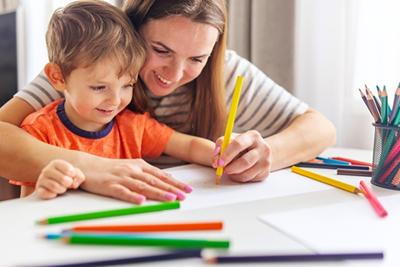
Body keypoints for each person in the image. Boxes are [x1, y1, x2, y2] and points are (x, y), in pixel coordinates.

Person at [0, 0, 336, 203]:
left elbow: (320, 128)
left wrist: (266, 153)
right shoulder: (93, 66)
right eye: (161, 50)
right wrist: (92, 168)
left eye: (197, 58)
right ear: (133, 32)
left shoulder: (226, 73)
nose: (174, 74)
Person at [10, 0, 218, 202]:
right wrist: (46, 188)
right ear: (57, 77)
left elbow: (189, 145)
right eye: (99, 87)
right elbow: (27, 205)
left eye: (128, 85)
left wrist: (222, 155)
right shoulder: (39, 132)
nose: (116, 100)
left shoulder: (132, 125)